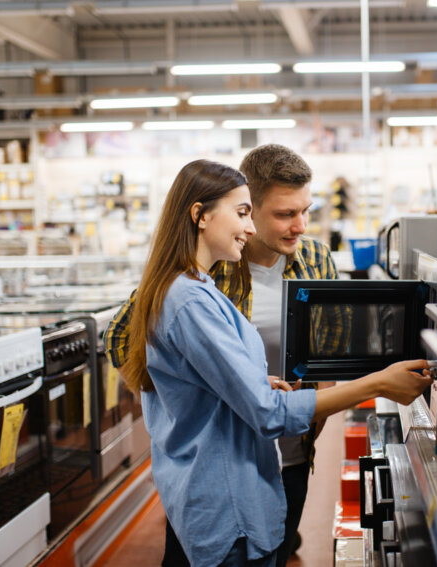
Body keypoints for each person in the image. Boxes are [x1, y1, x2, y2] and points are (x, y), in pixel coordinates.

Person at [116, 159, 431, 567]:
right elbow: (259, 409)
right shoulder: (190, 296)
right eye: (250, 213)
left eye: (305, 212)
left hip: (279, 456)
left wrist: (242, 383)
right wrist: (377, 384)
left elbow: (326, 350)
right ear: (201, 215)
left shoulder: (215, 282)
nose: (299, 225)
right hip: (221, 481)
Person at [105, 144, 349, 566]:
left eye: (305, 210)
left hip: (290, 453)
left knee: (273, 547)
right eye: (284, 214)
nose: (301, 226)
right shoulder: (204, 270)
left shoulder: (314, 258)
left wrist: (319, 393)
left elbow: (332, 338)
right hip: (218, 470)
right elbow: (121, 342)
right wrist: (196, 394)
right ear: (248, 209)